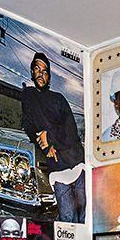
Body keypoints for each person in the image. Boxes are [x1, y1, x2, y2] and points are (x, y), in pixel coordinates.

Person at [18, 51, 86, 222]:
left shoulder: (58, 99)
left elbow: (70, 129)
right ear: (32, 71)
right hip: (57, 165)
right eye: (37, 69)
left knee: (84, 214)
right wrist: (45, 145)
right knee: (67, 216)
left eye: (45, 71)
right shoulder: (28, 96)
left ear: (49, 76)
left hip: (77, 161)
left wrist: (50, 138)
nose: (41, 74)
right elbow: (29, 126)